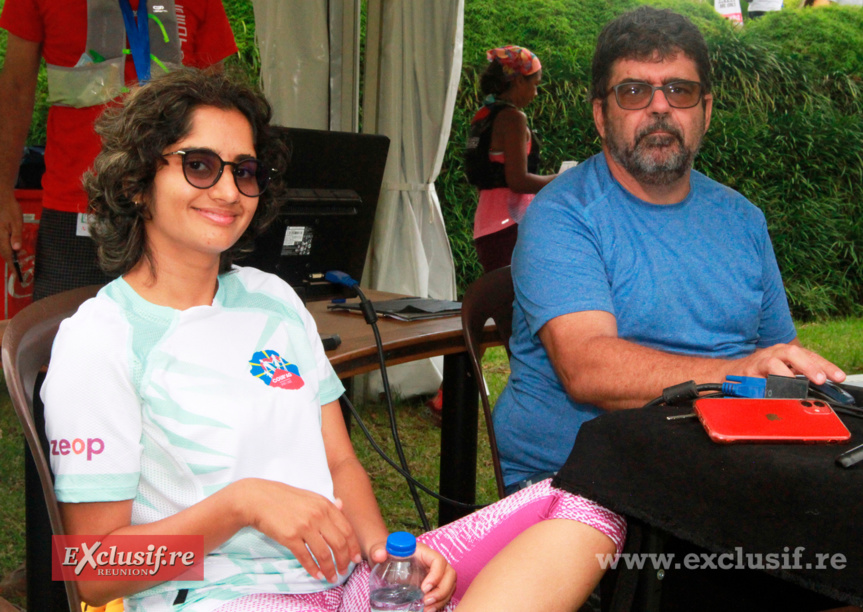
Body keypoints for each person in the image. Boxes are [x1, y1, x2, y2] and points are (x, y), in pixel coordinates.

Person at [40, 67, 625, 612]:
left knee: (589, 502)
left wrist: (386, 557)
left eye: (244, 171)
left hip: (349, 586)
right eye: (199, 165)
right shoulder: (101, 341)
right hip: (228, 596)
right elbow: (92, 568)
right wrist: (240, 505)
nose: (227, 191)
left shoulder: (271, 298)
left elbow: (340, 460)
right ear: (138, 181)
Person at [492, 6, 846, 494]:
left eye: (680, 90)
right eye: (634, 91)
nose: (659, 107)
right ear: (600, 115)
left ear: (706, 110)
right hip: (581, 480)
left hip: (725, 460)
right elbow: (587, 369)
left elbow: (777, 355)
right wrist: (735, 373)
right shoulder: (563, 214)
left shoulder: (742, 219)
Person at [0, 0, 238, 301]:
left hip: (177, 211)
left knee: (182, 340)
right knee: (63, 338)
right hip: (76, 208)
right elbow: (16, 89)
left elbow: (220, 105)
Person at [464, 45, 557, 274]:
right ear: (518, 81)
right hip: (508, 226)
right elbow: (518, 181)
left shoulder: (484, 115)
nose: (535, 93)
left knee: (503, 297)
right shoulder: (513, 118)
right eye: (534, 85)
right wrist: (561, 179)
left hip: (486, 225)